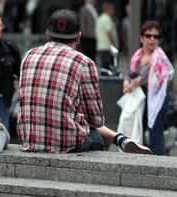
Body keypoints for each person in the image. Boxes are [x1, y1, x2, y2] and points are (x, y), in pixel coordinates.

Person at [18, 8, 152, 155]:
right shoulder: (83, 62)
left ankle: (120, 138)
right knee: (97, 137)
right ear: (78, 36)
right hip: (64, 144)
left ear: (47, 34)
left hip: (28, 140)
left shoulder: (28, 55)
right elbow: (95, 119)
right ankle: (119, 139)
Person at [122, 21, 174, 155]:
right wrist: (127, 82)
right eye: (148, 35)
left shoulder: (160, 57)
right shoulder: (137, 55)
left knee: (156, 134)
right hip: (142, 98)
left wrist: (137, 81)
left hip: (158, 99)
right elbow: (130, 73)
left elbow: (165, 76)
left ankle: (160, 167)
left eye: (156, 36)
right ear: (141, 38)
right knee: (139, 130)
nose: (152, 39)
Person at [96, 1, 119, 70]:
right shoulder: (107, 19)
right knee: (111, 68)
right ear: (108, 9)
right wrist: (114, 44)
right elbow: (109, 33)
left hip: (101, 46)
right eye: (113, 9)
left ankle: (103, 81)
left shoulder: (100, 18)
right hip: (108, 47)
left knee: (103, 68)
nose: (114, 11)